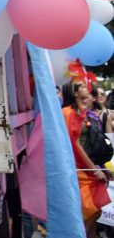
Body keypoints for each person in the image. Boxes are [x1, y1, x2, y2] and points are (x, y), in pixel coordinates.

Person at [62, 82, 112, 237]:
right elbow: (74, 143)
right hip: (79, 170)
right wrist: (95, 169)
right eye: (82, 87)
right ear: (75, 93)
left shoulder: (81, 111)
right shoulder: (68, 112)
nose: (87, 88)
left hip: (87, 168)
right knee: (88, 215)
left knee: (95, 213)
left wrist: (99, 167)